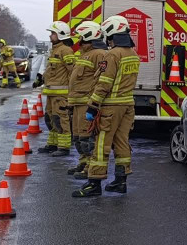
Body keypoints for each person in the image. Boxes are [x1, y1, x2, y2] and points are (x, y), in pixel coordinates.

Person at [74, 15, 140, 198]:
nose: (107, 39)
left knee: (101, 144)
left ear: (112, 32)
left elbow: (104, 83)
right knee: (122, 142)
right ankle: (120, 181)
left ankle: (94, 184)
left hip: (111, 107)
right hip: (127, 105)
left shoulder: (113, 55)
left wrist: (92, 106)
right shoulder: (133, 54)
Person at [65, 21, 108, 181]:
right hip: (77, 104)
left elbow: (102, 78)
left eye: (82, 36)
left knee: (87, 139)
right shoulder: (84, 54)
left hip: (86, 104)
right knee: (77, 138)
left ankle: (90, 167)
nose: (79, 40)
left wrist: (95, 104)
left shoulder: (99, 54)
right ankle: (83, 163)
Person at [34, 21, 75, 156]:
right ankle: (53, 144)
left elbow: (72, 72)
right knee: (50, 118)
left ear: (61, 35)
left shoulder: (66, 50)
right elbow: (50, 70)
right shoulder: (55, 50)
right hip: (52, 93)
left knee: (60, 119)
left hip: (61, 94)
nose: (51, 36)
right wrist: (41, 79)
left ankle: (64, 147)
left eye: (53, 33)